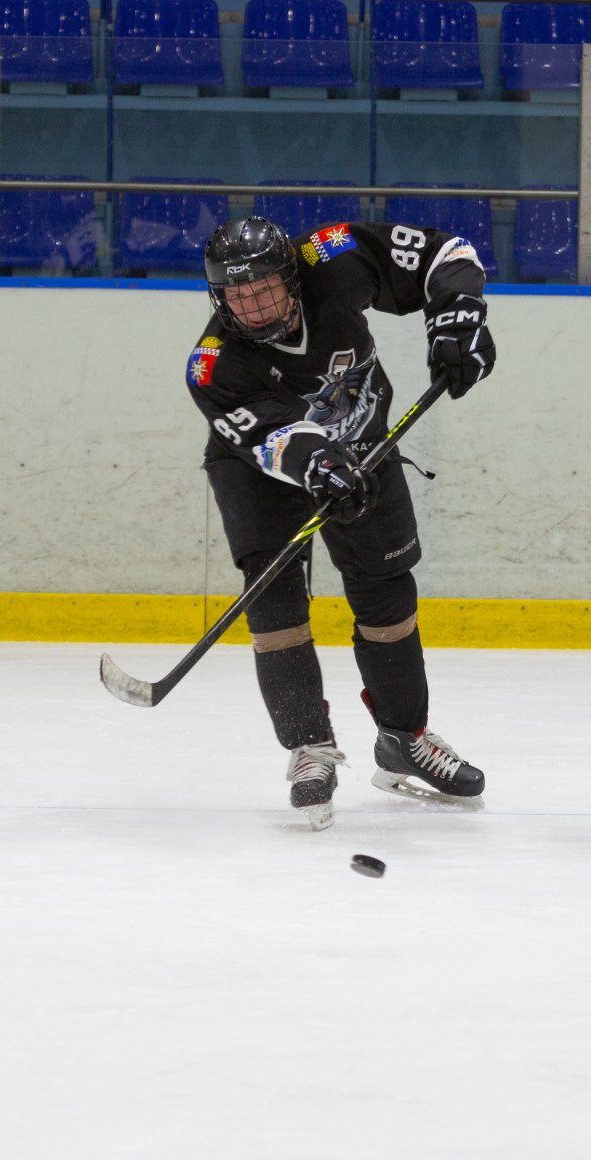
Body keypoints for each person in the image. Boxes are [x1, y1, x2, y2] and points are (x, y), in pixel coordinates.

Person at [186, 214, 496, 829]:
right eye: (237, 295)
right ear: (217, 296)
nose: (253, 307)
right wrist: (321, 463)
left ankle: (404, 739)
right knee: (275, 604)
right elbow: (274, 441)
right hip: (259, 470)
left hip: (363, 449)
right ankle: (310, 748)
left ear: (291, 277)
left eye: (265, 289)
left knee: (387, 593)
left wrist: (458, 317)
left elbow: (446, 252)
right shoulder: (213, 365)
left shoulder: (332, 255)